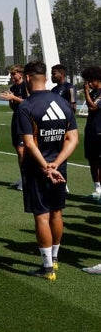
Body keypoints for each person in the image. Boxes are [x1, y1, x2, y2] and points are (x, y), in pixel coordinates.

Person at [16, 60, 78, 280]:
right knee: (57, 212)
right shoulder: (62, 104)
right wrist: (57, 163)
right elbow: (73, 139)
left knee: (41, 216)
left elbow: (29, 143)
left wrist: (45, 167)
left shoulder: (26, 106)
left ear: (29, 78)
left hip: (37, 169)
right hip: (59, 168)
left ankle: (47, 268)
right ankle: (55, 259)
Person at [0, 64, 28, 190]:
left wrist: (13, 97)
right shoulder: (13, 87)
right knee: (18, 149)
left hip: (25, 120)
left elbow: (30, 102)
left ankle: (26, 179)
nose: (11, 76)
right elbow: (13, 106)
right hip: (16, 119)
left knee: (23, 151)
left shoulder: (26, 86)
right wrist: (11, 100)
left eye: (13, 74)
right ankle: (22, 177)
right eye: (11, 74)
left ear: (20, 74)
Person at [81, 66, 101, 201]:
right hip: (91, 130)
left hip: (100, 131)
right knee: (92, 160)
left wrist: (86, 92)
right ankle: (97, 190)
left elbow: (93, 107)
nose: (88, 84)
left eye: (90, 81)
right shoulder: (93, 92)